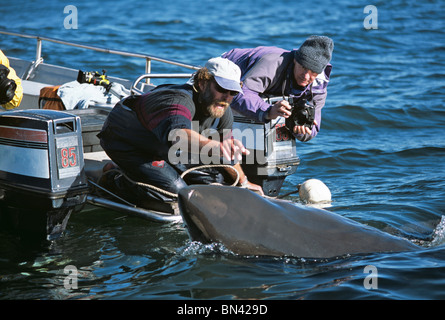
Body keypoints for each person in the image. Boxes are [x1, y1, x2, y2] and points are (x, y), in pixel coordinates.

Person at [98, 57, 264, 208]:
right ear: (202, 83)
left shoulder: (222, 109)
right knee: (176, 192)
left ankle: (152, 172)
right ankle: (116, 178)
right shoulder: (177, 99)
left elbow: (227, 152)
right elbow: (178, 135)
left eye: (233, 92)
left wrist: (244, 183)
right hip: (127, 141)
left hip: (163, 147)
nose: (227, 97)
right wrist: (217, 146)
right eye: (221, 88)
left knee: (215, 180)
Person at [222, 35, 334, 142]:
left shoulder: (318, 86)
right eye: (303, 67)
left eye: (313, 72)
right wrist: (268, 111)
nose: (306, 76)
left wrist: (299, 128)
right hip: (226, 69)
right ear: (295, 60)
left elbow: (313, 128)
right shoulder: (273, 63)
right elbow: (239, 93)